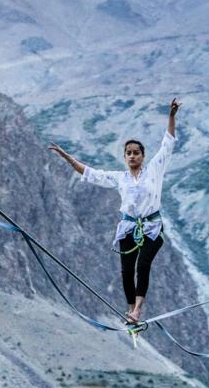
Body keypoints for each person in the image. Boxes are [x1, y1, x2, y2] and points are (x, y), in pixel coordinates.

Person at [49, 98, 180, 326]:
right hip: (128, 227)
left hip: (151, 227)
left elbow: (167, 145)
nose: (132, 156)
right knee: (126, 270)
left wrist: (171, 116)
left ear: (143, 155)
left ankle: (138, 309)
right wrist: (67, 157)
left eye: (136, 152)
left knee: (143, 265)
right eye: (128, 153)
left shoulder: (154, 171)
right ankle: (130, 310)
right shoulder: (119, 178)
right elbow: (91, 173)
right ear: (124, 156)